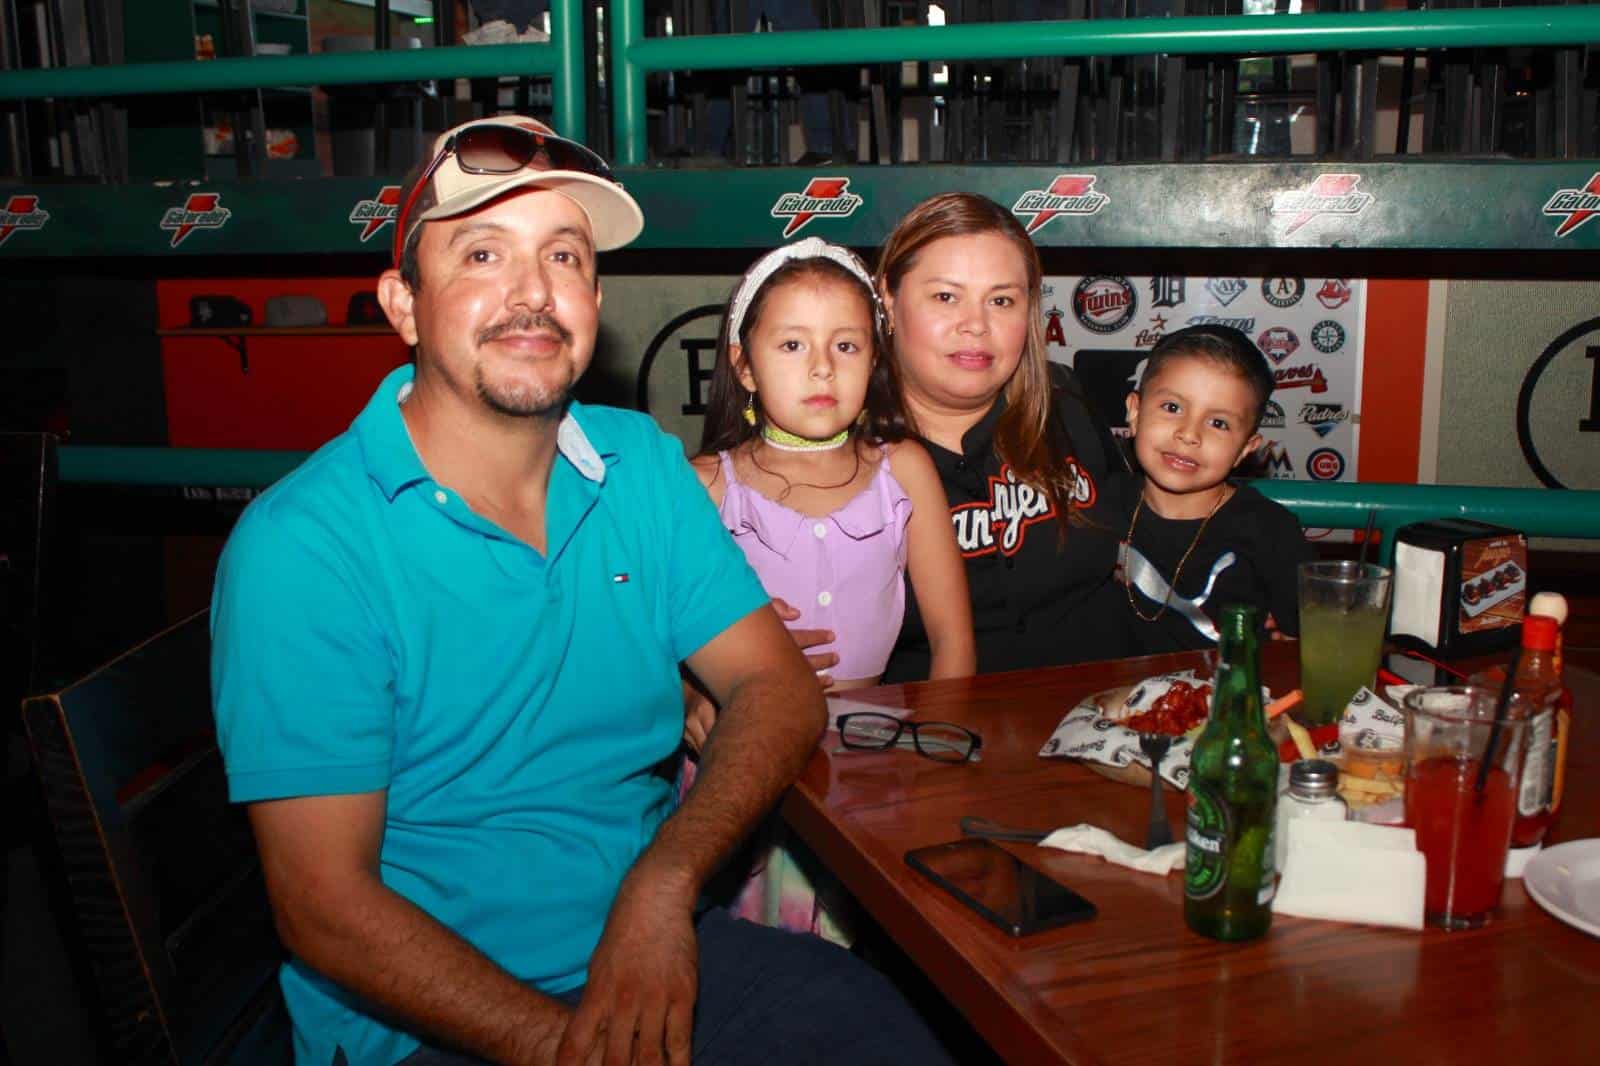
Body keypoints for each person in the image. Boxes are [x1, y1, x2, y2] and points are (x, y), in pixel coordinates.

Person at [209, 115, 952, 1066]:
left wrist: (663, 886)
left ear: (595, 297)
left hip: (655, 948)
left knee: (890, 1030)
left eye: (564, 255)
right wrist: (568, 1049)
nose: (532, 294)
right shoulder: (305, 545)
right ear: (403, 304)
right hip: (425, 1022)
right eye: (482, 253)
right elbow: (324, 908)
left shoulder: (638, 463)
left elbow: (777, 688)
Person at [685, 237, 975, 943]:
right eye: (791, 345)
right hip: (738, 765)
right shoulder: (704, 486)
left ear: (875, 362)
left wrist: (935, 764)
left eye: (847, 346)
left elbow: (953, 642)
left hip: (875, 763)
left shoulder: (902, 470)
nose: (821, 366)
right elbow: (648, 639)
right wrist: (691, 697)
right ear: (743, 366)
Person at [873, 192, 1129, 682]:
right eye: (946, 296)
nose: (976, 325)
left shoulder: (1067, 404)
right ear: (890, 296)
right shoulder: (837, 443)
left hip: (1097, 715)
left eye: (1001, 300)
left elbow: (1159, 527)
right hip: (918, 735)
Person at [1096, 324, 1314, 651]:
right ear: (1135, 411)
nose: (1189, 434)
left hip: (1219, 698)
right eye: (1172, 408)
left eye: (1218, 423)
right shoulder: (1095, 506)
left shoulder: (1271, 532)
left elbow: (1306, 646)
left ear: (1245, 448)